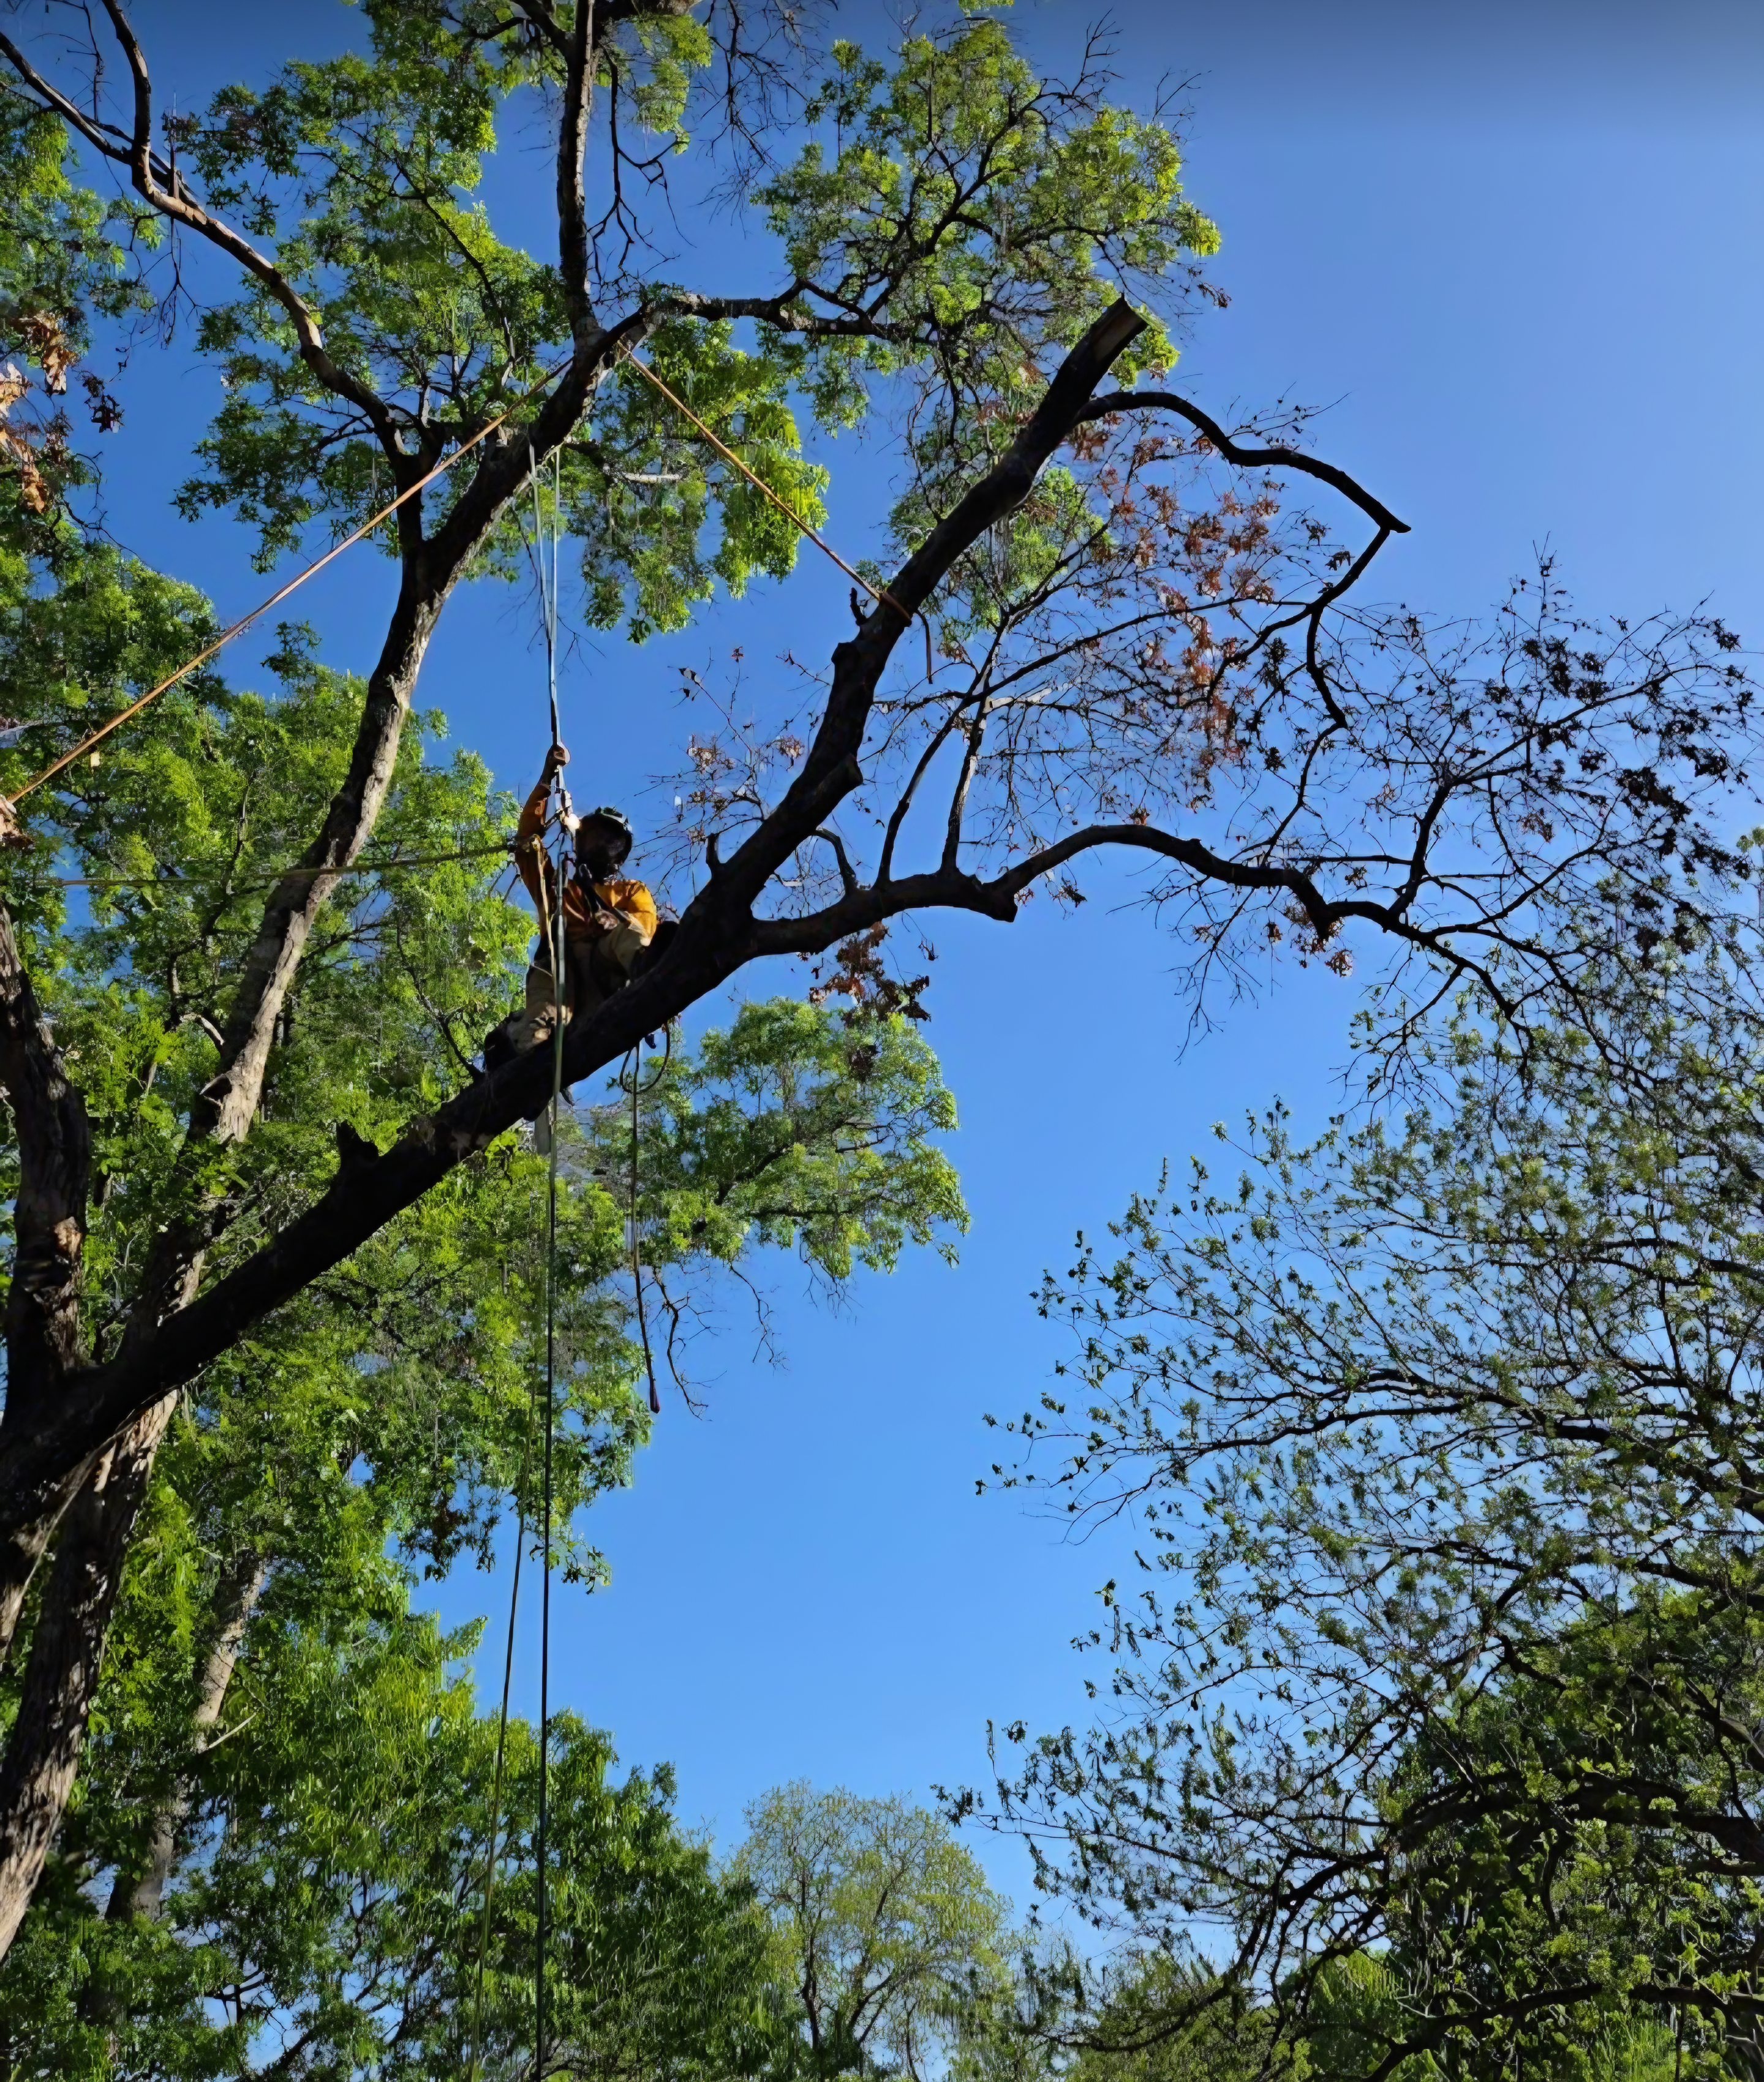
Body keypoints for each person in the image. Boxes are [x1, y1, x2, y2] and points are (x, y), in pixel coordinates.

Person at [483, 742, 658, 1071]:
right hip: (558, 976)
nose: (601, 846)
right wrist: (547, 777)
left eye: (610, 841)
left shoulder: (630, 891)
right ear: (580, 842)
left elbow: (644, 927)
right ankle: (523, 1055)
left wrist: (607, 919)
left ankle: (648, 976)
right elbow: (527, 843)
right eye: (595, 837)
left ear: (619, 855)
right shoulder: (558, 887)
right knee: (537, 1027)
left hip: (604, 980)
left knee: (626, 930)